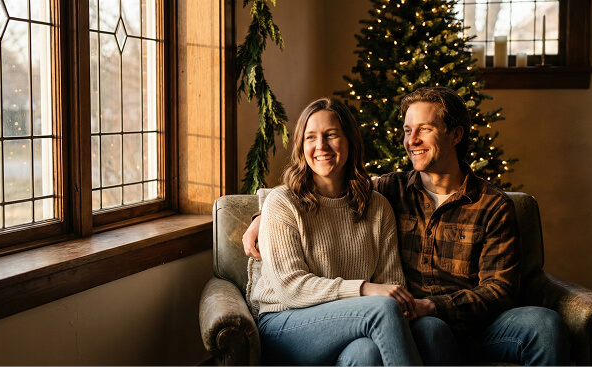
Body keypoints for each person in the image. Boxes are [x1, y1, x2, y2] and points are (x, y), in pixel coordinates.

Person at [244, 87, 571, 366]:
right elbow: (325, 186)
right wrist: (262, 218)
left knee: (545, 323)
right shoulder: (392, 190)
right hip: (417, 323)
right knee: (413, 335)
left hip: (474, 321)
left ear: (455, 135)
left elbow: (500, 290)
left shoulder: (491, 204)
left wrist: (432, 306)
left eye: (424, 129)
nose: (411, 140)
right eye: (406, 130)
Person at [248, 97, 444, 366]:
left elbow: (391, 284)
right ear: (301, 146)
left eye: (331, 135)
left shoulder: (377, 206)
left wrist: (389, 300)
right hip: (285, 324)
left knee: (366, 353)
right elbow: (290, 288)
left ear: (350, 141)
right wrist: (363, 289)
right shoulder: (282, 203)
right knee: (382, 309)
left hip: (354, 323)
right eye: (311, 138)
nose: (321, 146)